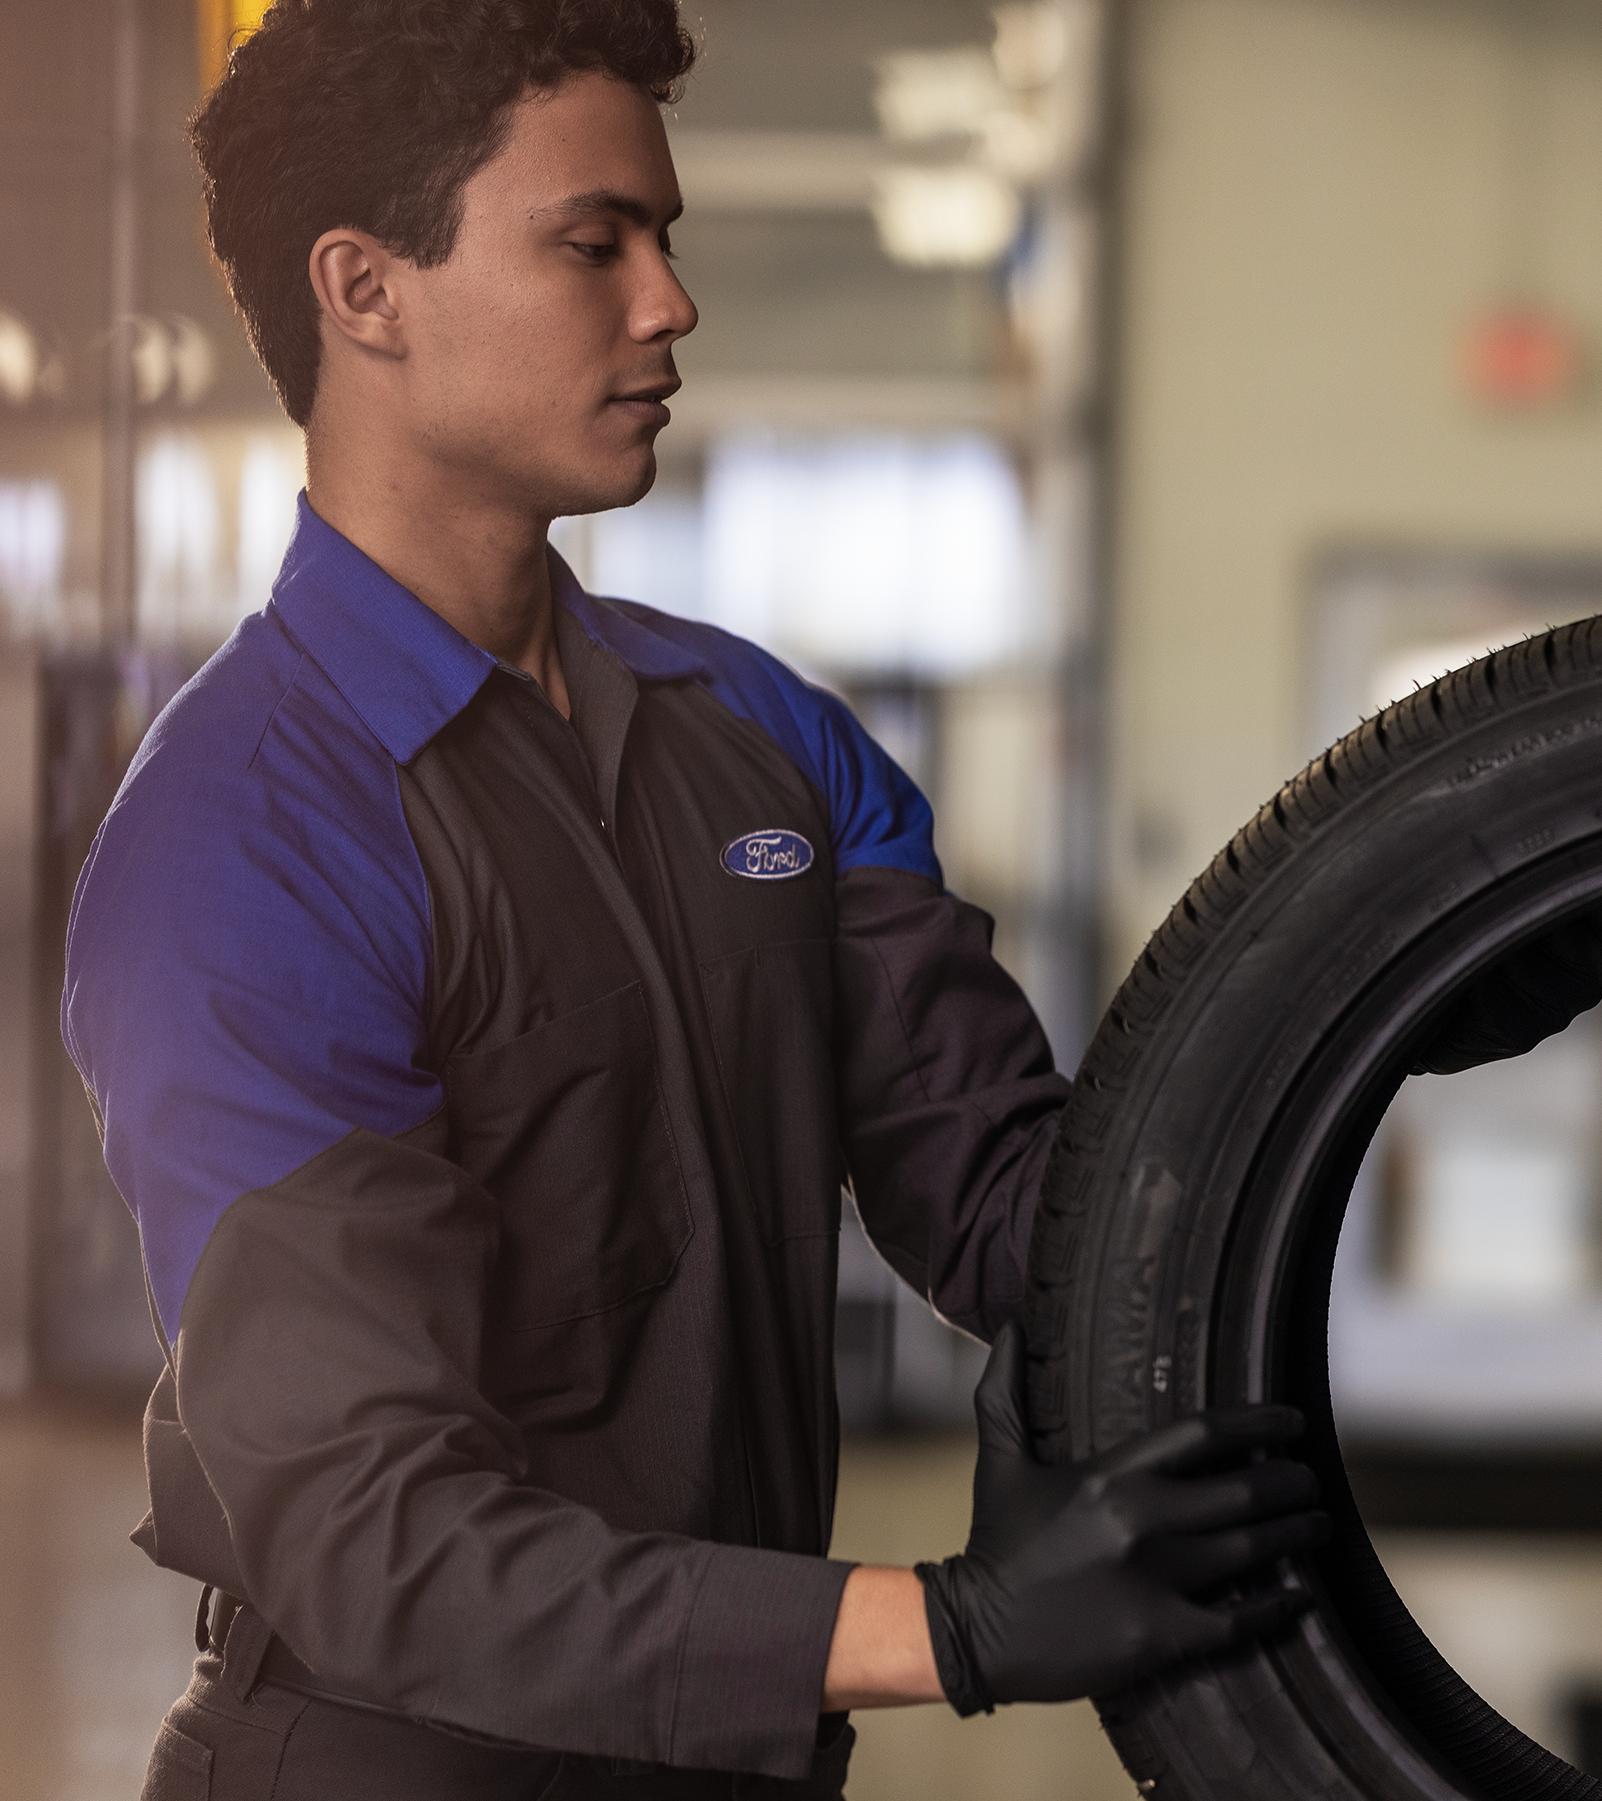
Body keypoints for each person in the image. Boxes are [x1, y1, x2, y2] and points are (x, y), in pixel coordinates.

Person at [59, 4, 1327, 1797]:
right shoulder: (239, 842)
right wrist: (945, 1625)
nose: (669, 303)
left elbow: (1020, 1213)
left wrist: (1400, 970)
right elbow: (370, 1533)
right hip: (389, 1761)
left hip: (722, 1762)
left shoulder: (769, 740)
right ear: (365, 291)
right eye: (595, 243)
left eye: (664, 239)